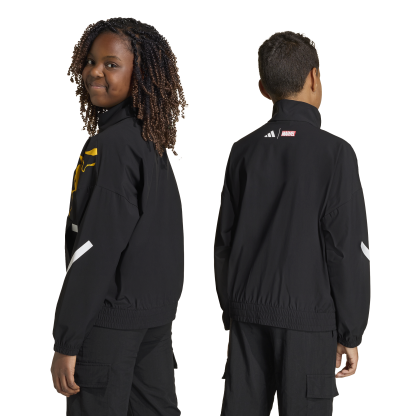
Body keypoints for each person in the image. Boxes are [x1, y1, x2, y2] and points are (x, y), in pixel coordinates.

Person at [214, 31, 370, 416]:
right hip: (309, 325)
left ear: (264, 88)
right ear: (314, 77)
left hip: (248, 318)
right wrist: (350, 330)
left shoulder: (243, 151)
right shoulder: (335, 153)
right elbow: (347, 249)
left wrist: (234, 311)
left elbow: (224, 242)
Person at [50, 18, 186, 416]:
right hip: (152, 321)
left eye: (111, 64)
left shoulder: (111, 146)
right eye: (92, 61)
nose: (95, 71)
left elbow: (95, 248)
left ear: (139, 74)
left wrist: (67, 340)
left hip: (109, 324)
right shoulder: (148, 140)